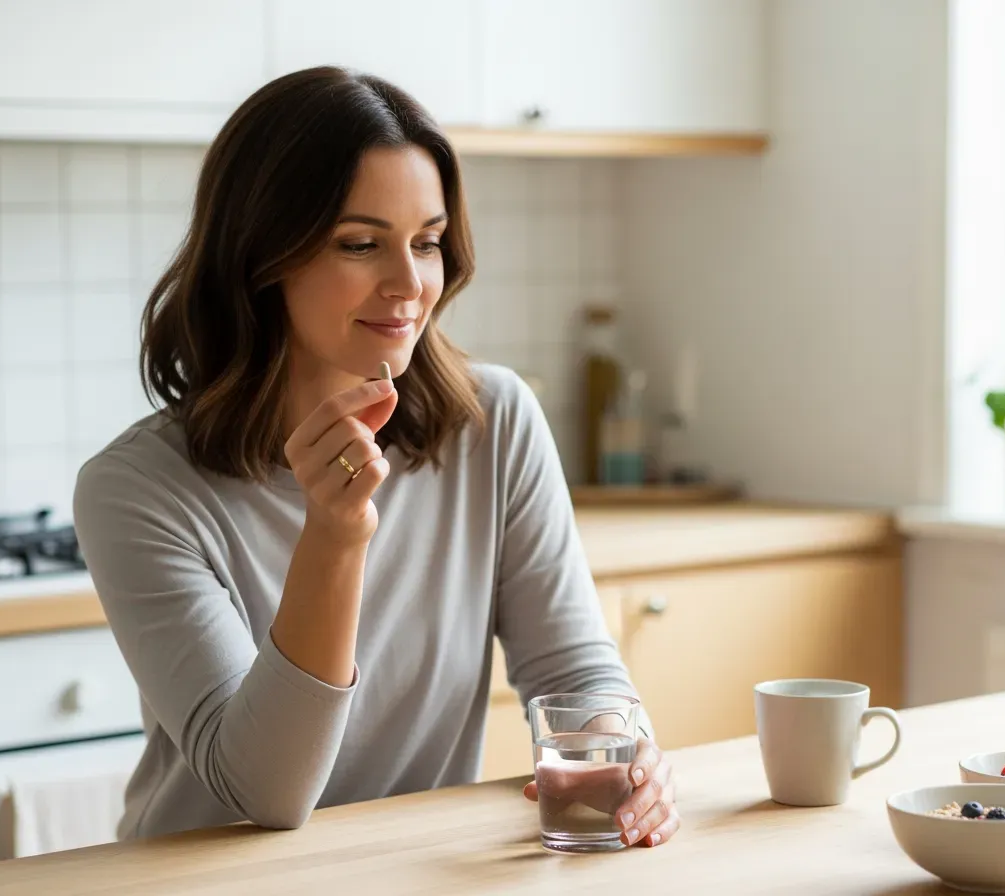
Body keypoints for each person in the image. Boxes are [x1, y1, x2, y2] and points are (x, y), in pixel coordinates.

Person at [72, 65, 680, 850]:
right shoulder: (138, 488)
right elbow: (265, 791)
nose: (409, 284)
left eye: (426, 243)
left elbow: (573, 672)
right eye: (360, 244)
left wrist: (622, 752)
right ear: (263, 257)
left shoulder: (493, 424)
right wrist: (334, 533)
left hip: (406, 870)